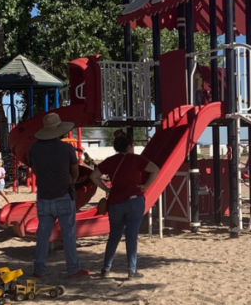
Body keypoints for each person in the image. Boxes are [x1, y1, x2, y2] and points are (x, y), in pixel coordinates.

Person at [28, 112, 90, 280]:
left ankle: (39, 268)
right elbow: (75, 172)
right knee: (68, 233)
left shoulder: (34, 148)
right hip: (63, 194)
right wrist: (70, 182)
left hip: (43, 196)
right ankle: (72, 269)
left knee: (43, 234)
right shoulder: (67, 148)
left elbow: (34, 169)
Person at [92, 131, 159, 279]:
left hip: (116, 201)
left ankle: (106, 269)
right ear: (129, 146)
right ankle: (131, 271)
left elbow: (93, 176)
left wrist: (106, 188)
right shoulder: (137, 159)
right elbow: (155, 170)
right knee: (131, 235)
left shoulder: (110, 161)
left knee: (114, 236)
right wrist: (146, 186)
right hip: (135, 200)